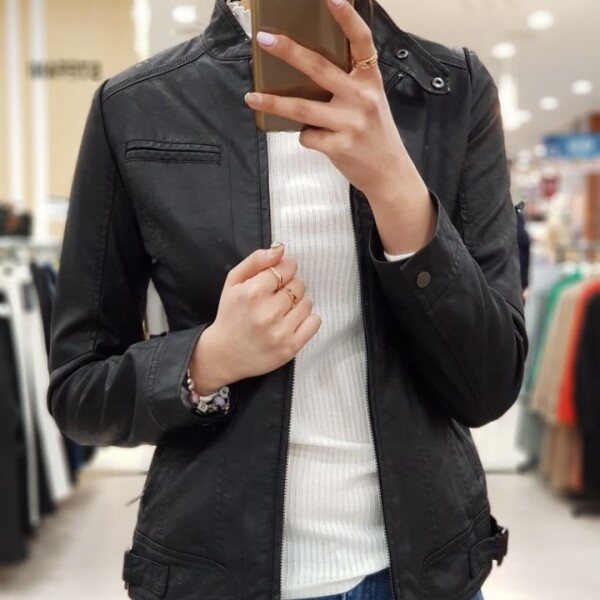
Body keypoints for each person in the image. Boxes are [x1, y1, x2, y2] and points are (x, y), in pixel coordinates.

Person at [46, 0, 527, 599]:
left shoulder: (452, 90)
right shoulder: (138, 105)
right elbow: (79, 390)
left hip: (426, 570)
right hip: (214, 571)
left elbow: (489, 385)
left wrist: (395, 185)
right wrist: (206, 362)